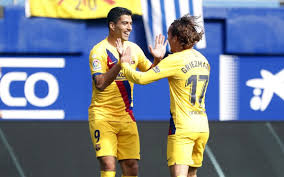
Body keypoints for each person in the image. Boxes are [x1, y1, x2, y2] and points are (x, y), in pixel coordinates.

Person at [118, 15, 210, 177]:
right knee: (192, 175)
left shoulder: (174, 60)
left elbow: (141, 78)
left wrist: (124, 64)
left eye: (169, 36)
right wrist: (158, 59)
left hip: (183, 127)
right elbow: (180, 75)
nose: (167, 40)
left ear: (176, 38)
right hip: (202, 126)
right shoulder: (203, 60)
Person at [88, 7, 166, 177]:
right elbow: (100, 84)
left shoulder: (134, 49)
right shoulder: (98, 51)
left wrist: (157, 60)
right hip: (103, 115)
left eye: (130, 23)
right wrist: (119, 64)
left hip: (126, 116)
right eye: (125, 23)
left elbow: (148, 75)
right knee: (108, 162)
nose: (129, 27)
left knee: (132, 167)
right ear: (112, 26)